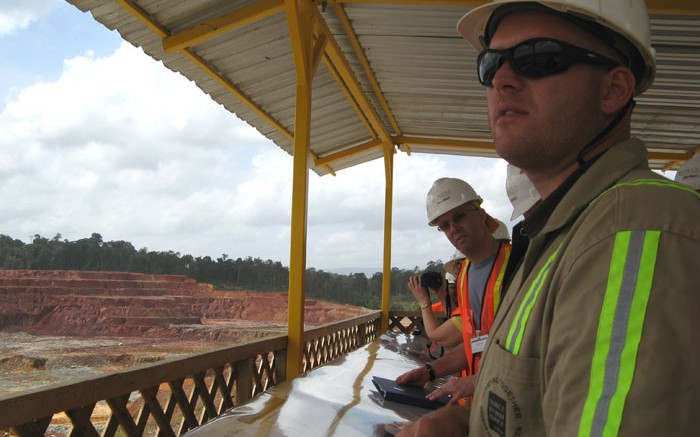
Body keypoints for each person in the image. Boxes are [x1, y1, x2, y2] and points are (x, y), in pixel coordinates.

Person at [398, 1, 700, 436]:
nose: (502, 79)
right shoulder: (560, 235)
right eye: (490, 65)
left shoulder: (635, 230)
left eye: (538, 57)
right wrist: (466, 421)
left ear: (613, 89)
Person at [396, 178, 512, 406]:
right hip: (474, 402)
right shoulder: (465, 275)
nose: (453, 229)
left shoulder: (517, 265)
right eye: (444, 226)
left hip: (508, 404)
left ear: (481, 215)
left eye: (459, 217)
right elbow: (472, 345)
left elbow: (530, 351)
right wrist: (430, 371)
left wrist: (474, 382)